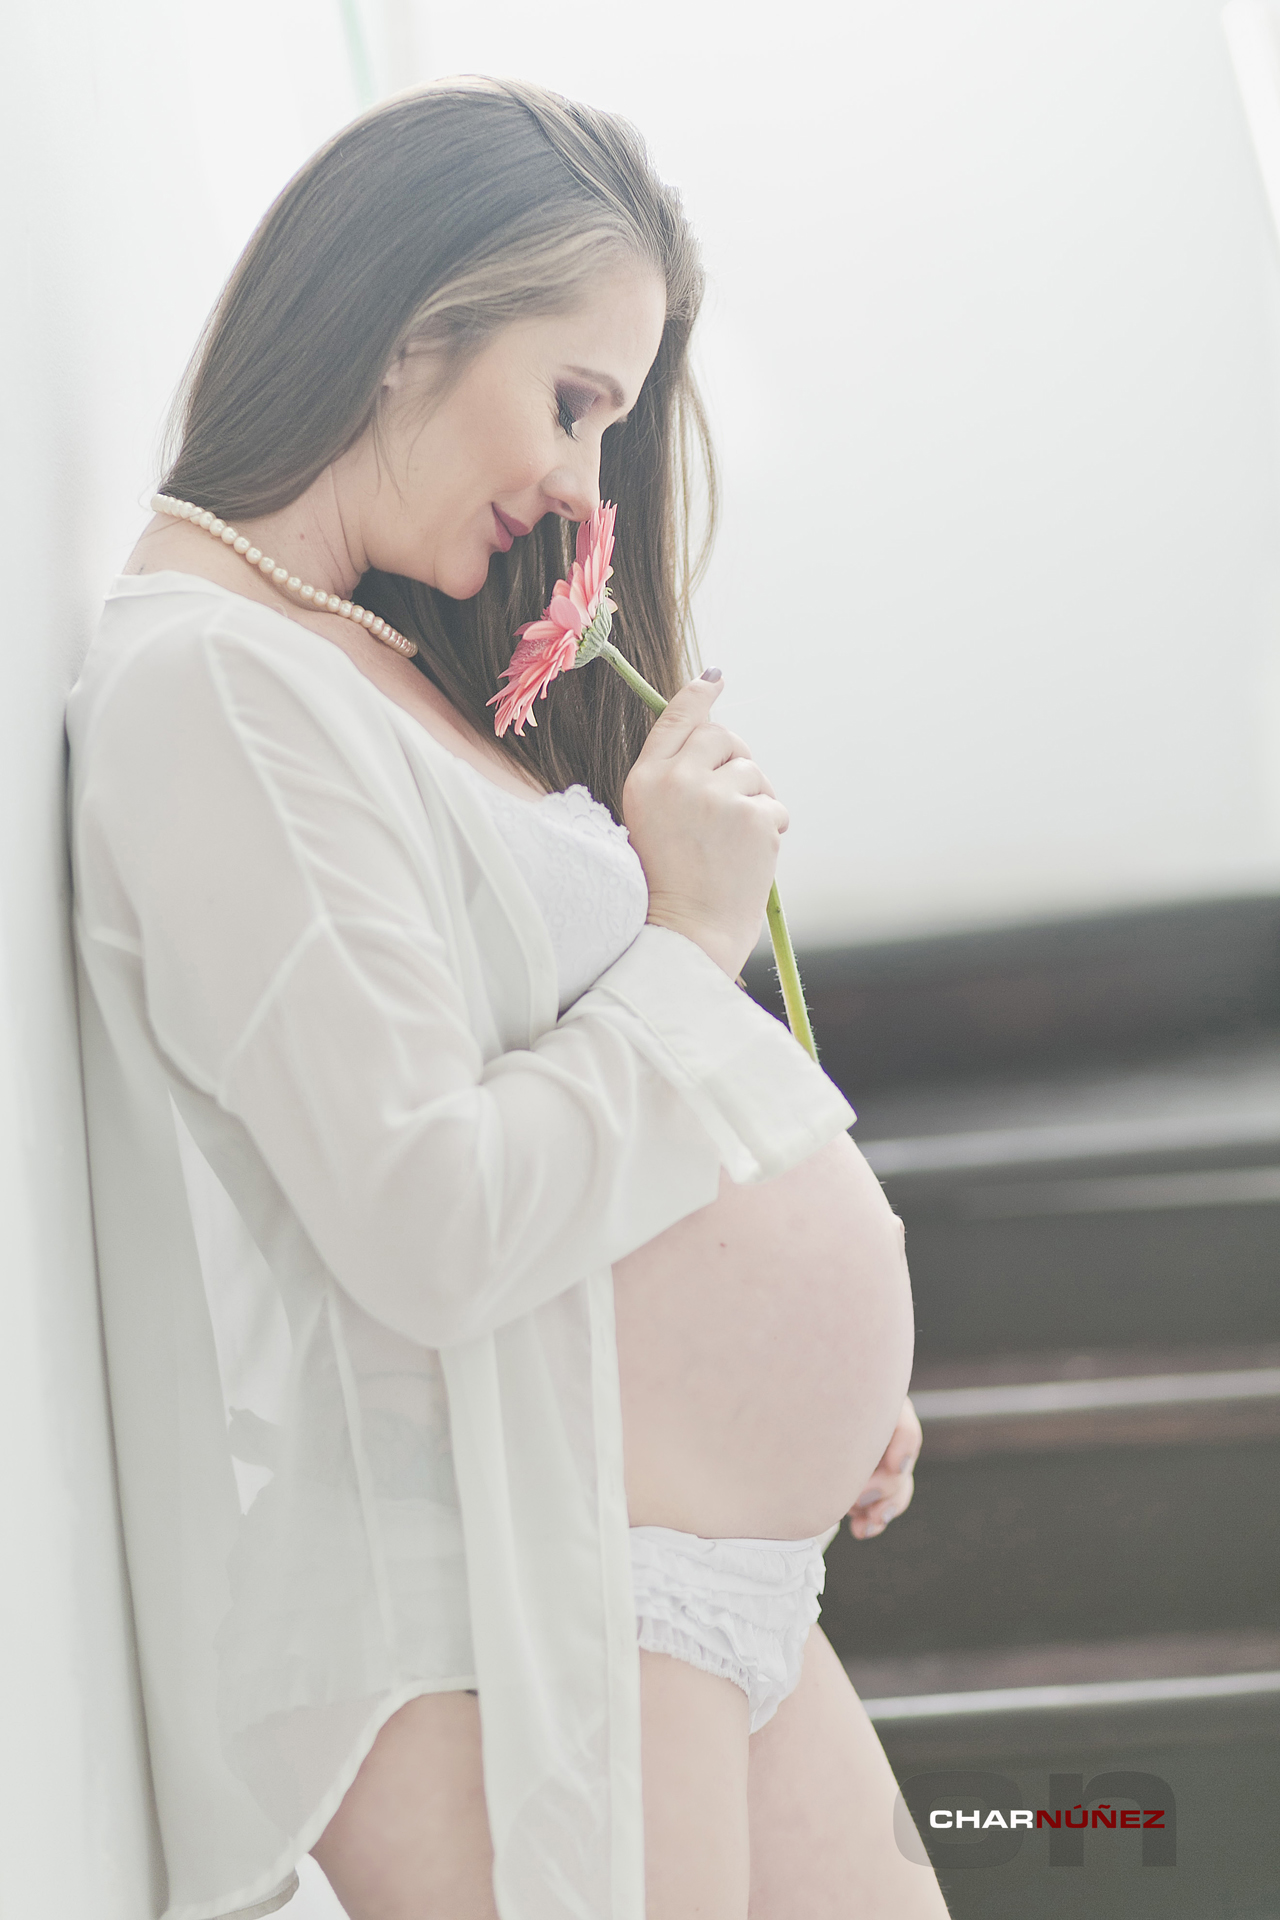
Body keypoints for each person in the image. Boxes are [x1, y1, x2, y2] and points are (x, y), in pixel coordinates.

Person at [67, 78, 948, 1920]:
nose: (582, 488)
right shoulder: (213, 689)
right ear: (406, 331)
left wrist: (804, 1359)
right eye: (573, 404)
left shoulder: (364, 659)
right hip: (518, 1596)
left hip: (675, 1560)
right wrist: (694, 947)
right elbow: (428, 1217)